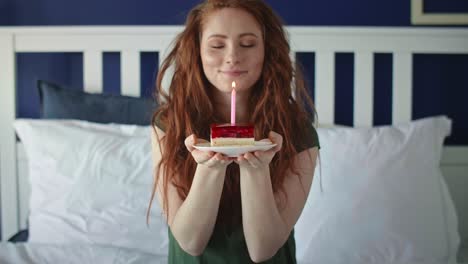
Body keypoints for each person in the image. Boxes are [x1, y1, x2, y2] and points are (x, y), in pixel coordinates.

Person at [148, 0, 320, 263]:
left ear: (267, 51)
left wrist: (256, 170)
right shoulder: (169, 125)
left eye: (248, 44)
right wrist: (210, 167)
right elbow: (191, 242)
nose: (232, 56)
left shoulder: (297, 132)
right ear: (197, 51)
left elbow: (262, 250)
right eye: (217, 45)